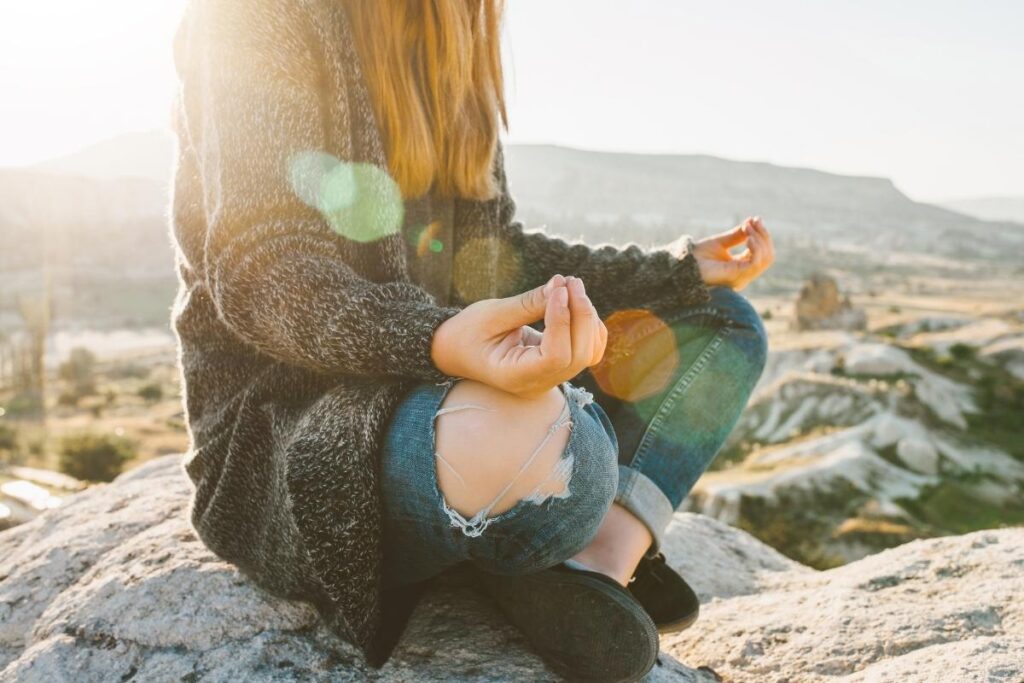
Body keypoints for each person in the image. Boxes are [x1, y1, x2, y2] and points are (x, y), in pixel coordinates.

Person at [169, 1, 772, 680]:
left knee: (721, 322)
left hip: (445, 385)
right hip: (296, 429)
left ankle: (593, 567)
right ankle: (527, 530)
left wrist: (673, 269)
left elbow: (495, 258)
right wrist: (440, 339)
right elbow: (262, 271)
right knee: (553, 445)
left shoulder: (454, 35)